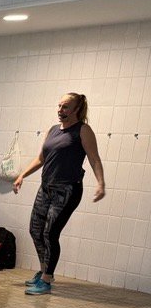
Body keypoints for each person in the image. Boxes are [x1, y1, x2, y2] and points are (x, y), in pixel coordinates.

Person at [13, 92, 106, 296]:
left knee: (50, 233)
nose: (60, 110)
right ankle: (44, 270)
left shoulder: (83, 130)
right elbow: (41, 158)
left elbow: (94, 158)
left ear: (77, 109)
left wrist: (101, 183)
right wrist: (22, 175)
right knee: (35, 230)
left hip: (67, 190)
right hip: (46, 188)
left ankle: (46, 280)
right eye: (59, 106)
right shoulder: (53, 130)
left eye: (65, 107)